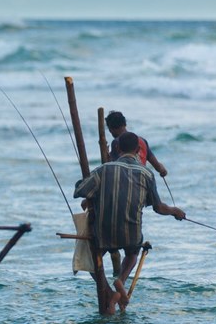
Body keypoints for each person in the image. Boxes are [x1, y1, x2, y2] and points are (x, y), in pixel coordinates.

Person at [74, 131, 185, 314]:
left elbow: (79, 191)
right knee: (132, 254)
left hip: (103, 234)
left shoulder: (104, 169)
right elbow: (157, 207)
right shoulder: (147, 174)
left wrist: (83, 182)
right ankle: (121, 280)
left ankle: (109, 292)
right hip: (131, 235)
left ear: (116, 148)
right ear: (137, 149)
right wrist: (175, 211)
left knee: (91, 258)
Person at [105, 111, 167, 177]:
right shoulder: (142, 141)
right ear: (125, 124)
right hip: (142, 178)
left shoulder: (117, 142)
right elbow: (157, 166)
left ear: (111, 129)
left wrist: (107, 158)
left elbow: (113, 168)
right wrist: (162, 170)